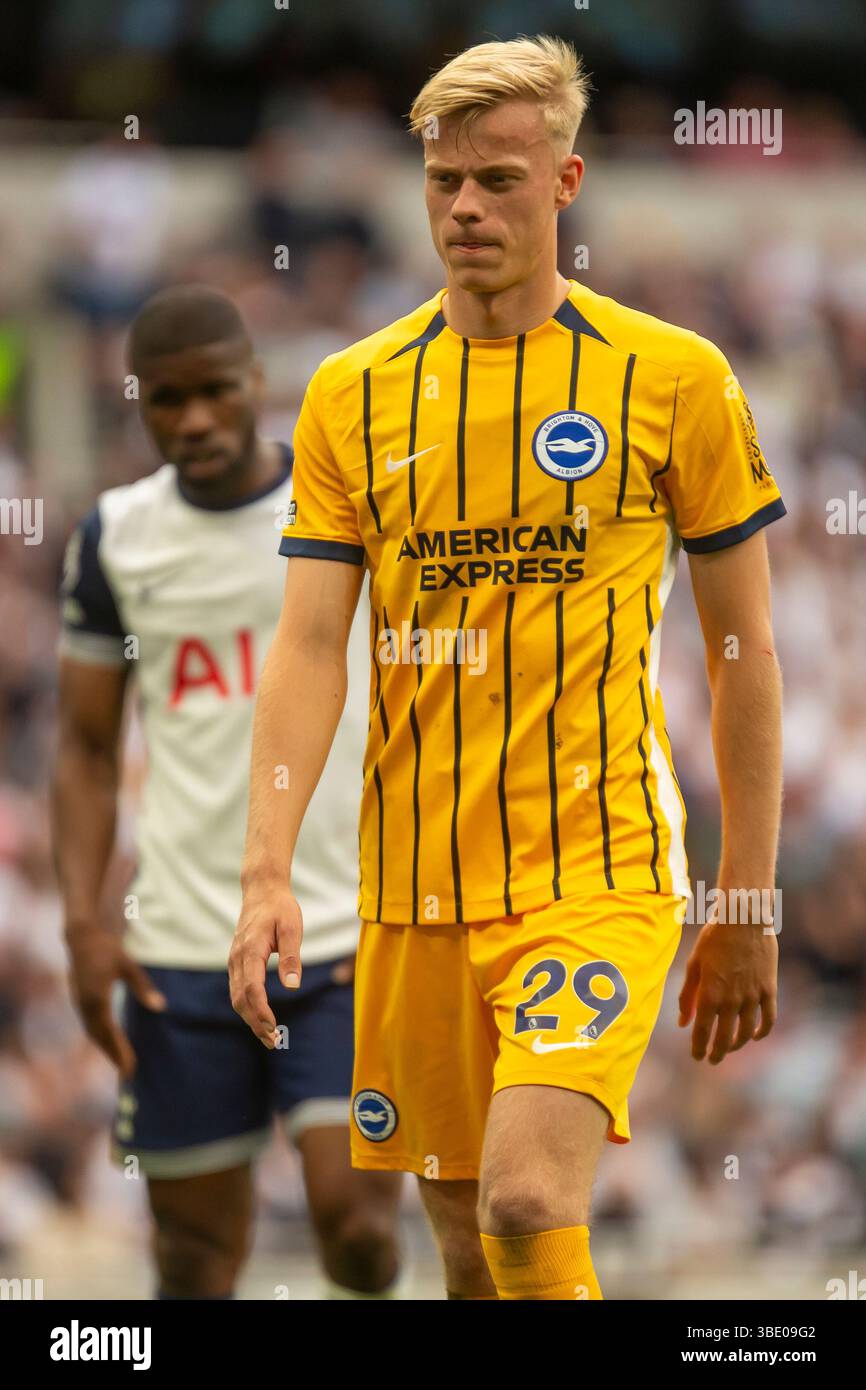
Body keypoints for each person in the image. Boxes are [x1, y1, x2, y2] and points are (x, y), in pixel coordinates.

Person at [230, 35, 784, 1301]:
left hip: (595, 868)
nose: (465, 207)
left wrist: (742, 896)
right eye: (442, 183)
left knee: (530, 1198)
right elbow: (312, 644)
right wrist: (265, 867)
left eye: (497, 179)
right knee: (475, 1261)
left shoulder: (671, 377)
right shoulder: (348, 395)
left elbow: (740, 656)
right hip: (415, 891)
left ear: (565, 183)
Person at [52, 285, 402, 1300]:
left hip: (342, 933)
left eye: (214, 391)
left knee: (358, 1230)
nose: (194, 419)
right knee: (195, 1261)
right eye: (166, 400)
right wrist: (81, 922)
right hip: (180, 947)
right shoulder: (115, 539)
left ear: (256, 382)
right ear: (140, 404)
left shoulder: (340, 509)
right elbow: (81, 746)